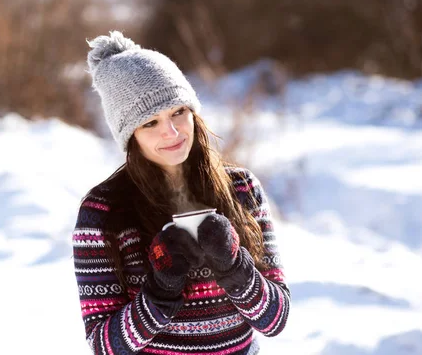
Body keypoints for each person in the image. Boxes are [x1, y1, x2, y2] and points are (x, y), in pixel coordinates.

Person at [72, 31, 290, 355]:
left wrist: (234, 267)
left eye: (177, 112)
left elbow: (275, 319)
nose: (171, 132)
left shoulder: (242, 189)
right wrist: (160, 291)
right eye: (150, 123)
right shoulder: (102, 212)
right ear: (130, 135)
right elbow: (104, 345)